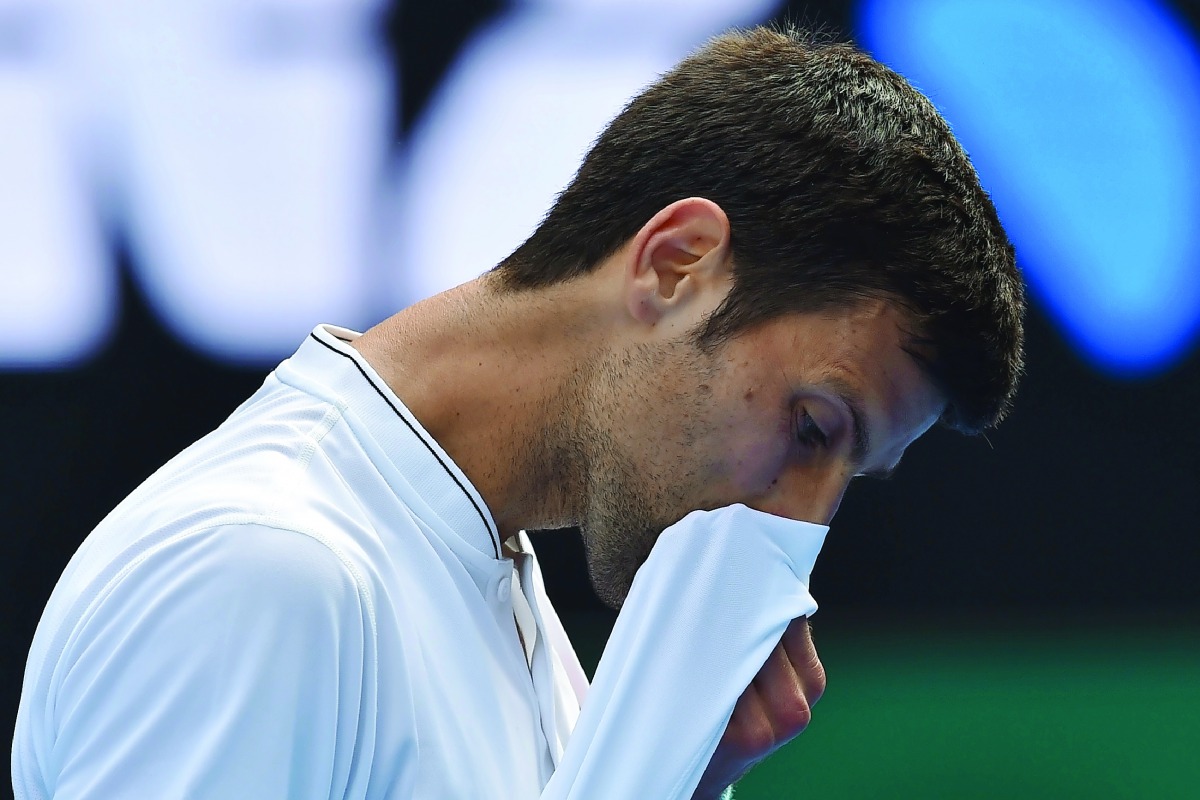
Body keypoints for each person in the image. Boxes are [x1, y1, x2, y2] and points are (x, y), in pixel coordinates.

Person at [13, 25, 1024, 800]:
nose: (801, 525)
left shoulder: (491, 592)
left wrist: (669, 772)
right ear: (676, 265)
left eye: (848, 476)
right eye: (812, 427)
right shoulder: (263, 569)